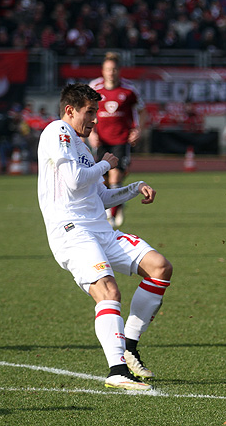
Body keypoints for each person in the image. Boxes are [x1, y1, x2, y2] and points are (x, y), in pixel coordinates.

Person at [37, 83, 173, 391]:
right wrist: (106, 165)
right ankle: (117, 369)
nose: (95, 119)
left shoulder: (82, 147)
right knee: (109, 291)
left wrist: (134, 187)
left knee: (159, 267)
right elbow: (74, 181)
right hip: (72, 231)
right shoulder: (57, 131)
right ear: (70, 111)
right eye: (90, 112)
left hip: (101, 230)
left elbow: (101, 196)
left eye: (96, 111)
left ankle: (129, 345)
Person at [89, 52, 147, 228]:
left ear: (119, 71)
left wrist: (138, 130)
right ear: (102, 71)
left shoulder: (129, 90)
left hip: (121, 140)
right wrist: (91, 134)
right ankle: (117, 205)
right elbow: (86, 111)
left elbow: (142, 111)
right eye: (108, 69)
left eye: (114, 69)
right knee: (103, 180)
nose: (111, 73)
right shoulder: (94, 88)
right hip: (101, 141)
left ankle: (110, 217)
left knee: (116, 174)